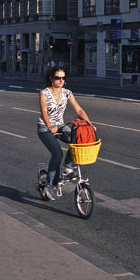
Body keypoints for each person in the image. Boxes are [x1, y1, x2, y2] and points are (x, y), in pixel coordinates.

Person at [38, 67, 93, 200]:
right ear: (51, 79)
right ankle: (51, 185)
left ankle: (68, 165)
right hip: (45, 127)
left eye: (63, 78)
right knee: (57, 153)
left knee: (79, 140)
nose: (61, 80)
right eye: (58, 78)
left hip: (61, 126)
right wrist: (50, 125)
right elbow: (44, 111)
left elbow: (79, 109)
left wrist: (89, 124)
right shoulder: (44, 93)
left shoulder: (67, 93)